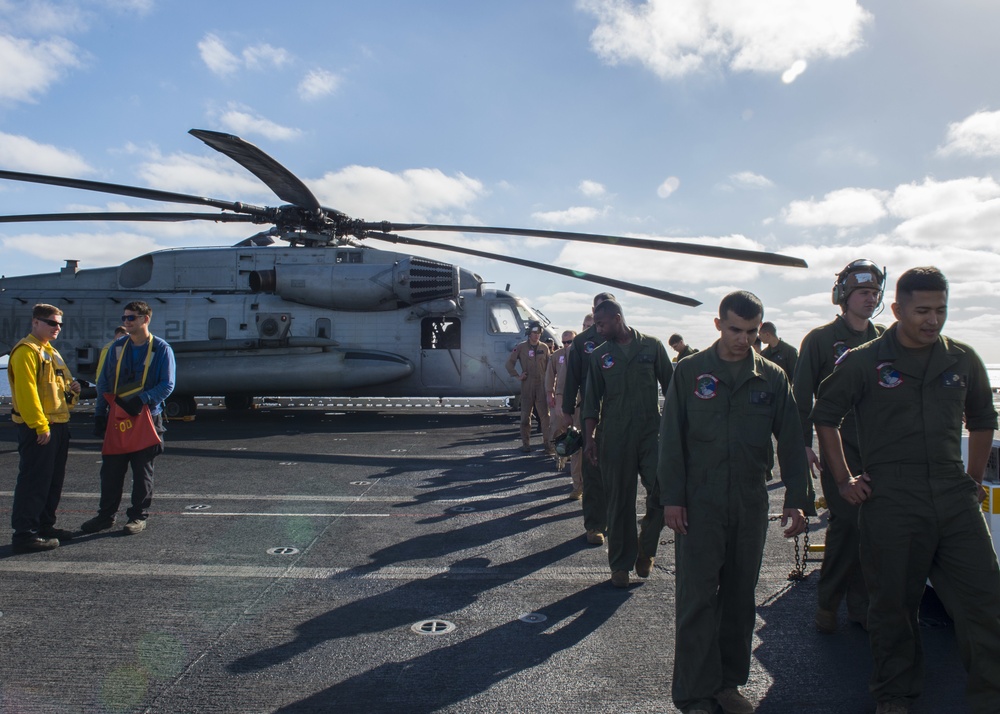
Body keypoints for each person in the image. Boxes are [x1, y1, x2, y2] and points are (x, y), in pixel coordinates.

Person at [812, 267, 1000, 714]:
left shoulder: (962, 359)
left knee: (986, 603)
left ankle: (991, 698)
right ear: (897, 310)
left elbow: (981, 419)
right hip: (892, 499)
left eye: (941, 310)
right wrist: (843, 480)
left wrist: (973, 479)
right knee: (894, 607)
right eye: (922, 311)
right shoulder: (864, 360)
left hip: (954, 497)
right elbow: (826, 416)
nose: (933, 320)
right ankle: (896, 696)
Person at [659, 290, 811, 714]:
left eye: (750, 332)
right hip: (699, 502)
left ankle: (727, 685)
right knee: (697, 599)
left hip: (749, 501)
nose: (742, 339)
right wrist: (672, 499)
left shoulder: (772, 377)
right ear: (718, 325)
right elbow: (670, 441)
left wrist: (797, 499)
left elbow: (793, 442)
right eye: (734, 330)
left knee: (741, 598)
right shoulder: (689, 372)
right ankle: (694, 694)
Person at [793, 259, 885, 634]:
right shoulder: (819, 340)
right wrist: (802, 445)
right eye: (864, 292)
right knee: (847, 526)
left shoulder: (885, 340)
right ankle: (828, 603)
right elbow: (800, 397)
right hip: (838, 450)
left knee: (874, 530)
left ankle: (861, 606)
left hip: (879, 452)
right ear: (843, 297)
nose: (871, 298)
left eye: (875, 293)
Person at [582, 299, 672, 588]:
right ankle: (620, 565)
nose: (598, 329)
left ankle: (646, 548)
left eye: (601, 324)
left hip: (650, 433)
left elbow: (673, 390)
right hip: (615, 436)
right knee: (619, 502)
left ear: (617, 319)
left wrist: (677, 430)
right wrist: (589, 441)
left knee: (662, 490)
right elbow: (591, 403)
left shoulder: (653, 346)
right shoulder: (599, 356)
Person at [81, 301, 176, 535]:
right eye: (124, 318)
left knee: (142, 471)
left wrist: (143, 399)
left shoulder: (161, 349)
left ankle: (138, 516)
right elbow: (104, 382)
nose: (126, 322)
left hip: (147, 418)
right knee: (111, 471)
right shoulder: (117, 348)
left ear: (146, 319)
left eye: (131, 318)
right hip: (118, 417)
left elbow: (168, 384)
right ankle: (105, 516)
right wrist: (100, 413)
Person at [7, 304, 81, 552]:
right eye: (52, 323)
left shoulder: (51, 352)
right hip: (41, 427)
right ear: (35, 323)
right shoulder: (27, 352)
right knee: (34, 481)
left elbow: (63, 389)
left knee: (52, 481)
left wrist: (74, 392)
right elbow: (26, 394)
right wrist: (40, 426)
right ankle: (25, 534)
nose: (57, 327)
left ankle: (44, 525)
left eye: (59, 323)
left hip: (59, 424)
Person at [561, 296, 614, 545]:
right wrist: (567, 410)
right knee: (592, 469)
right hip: (589, 410)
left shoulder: (624, 338)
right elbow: (571, 378)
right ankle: (594, 525)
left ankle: (615, 520)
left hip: (618, 411)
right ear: (594, 310)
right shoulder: (582, 342)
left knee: (617, 471)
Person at [505, 322, 552, 454]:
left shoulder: (544, 348)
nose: (537, 336)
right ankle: (526, 445)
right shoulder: (520, 347)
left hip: (542, 385)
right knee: (525, 418)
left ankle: (548, 446)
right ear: (529, 333)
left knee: (545, 417)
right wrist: (518, 376)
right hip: (527, 385)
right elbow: (509, 364)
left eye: (539, 334)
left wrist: (551, 385)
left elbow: (550, 367)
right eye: (534, 333)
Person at [546, 329, 582, 498]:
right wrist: (551, 394)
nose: (567, 345)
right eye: (564, 342)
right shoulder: (559, 356)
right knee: (558, 431)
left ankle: (582, 484)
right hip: (564, 402)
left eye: (570, 342)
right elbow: (552, 376)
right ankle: (560, 456)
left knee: (580, 444)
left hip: (583, 403)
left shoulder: (584, 353)